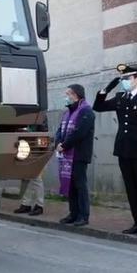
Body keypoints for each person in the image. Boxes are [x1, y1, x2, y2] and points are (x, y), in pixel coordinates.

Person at [93, 64, 137, 237]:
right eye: (122, 79)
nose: (124, 82)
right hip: (124, 150)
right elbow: (98, 107)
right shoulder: (120, 98)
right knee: (131, 188)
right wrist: (106, 89)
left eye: (127, 78)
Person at [55, 84, 96, 227]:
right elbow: (60, 130)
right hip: (66, 154)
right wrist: (58, 143)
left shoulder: (86, 112)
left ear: (76, 95)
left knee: (80, 185)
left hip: (79, 154)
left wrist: (64, 145)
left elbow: (79, 132)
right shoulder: (67, 113)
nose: (66, 97)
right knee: (70, 185)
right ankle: (73, 213)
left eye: (68, 94)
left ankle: (83, 215)